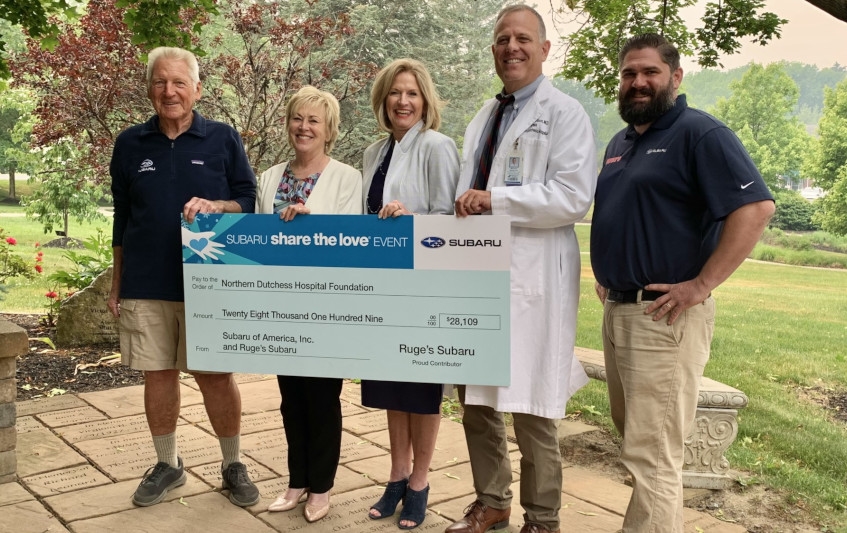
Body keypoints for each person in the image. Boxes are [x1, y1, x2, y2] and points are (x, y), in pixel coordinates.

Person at [591, 33, 775, 532]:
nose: (638, 82)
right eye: (629, 73)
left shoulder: (701, 133)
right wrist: (607, 272)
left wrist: (701, 285)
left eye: (649, 72)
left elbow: (755, 209)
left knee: (654, 457)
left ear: (675, 77)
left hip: (665, 318)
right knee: (638, 443)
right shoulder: (621, 141)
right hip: (621, 312)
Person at [449, 6, 597, 533]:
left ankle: (543, 516)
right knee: (475, 400)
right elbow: (462, 196)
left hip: (533, 277)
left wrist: (496, 201)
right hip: (479, 273)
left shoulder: (565, 114)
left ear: (543, 49)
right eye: (502, 39)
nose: (511, 47)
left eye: (522, 39)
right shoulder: (483, 118)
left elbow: (572, 197)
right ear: (493, 49)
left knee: (532, 404)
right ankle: (492, 501)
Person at [108, 47, 258, 508]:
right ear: (150, 88)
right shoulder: (130, 144)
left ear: (197, 88)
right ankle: (168, 465)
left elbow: (247, 199)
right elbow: (121, 217)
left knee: (215, 376)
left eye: (178, 83)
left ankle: (233, 463)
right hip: (146, 283)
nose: (169, 91)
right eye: (160, 82)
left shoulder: (222, 139)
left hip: (207, 282)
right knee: (158, 375)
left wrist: (218, 206)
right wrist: (117, 285)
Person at [360, 58, 461, 530]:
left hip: (424, 289)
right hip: (383, 288)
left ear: (426, 101)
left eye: (412, 94)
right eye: (395, 93)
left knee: (421, 391)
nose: (403, 101)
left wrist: (412, 219)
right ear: (383, 100)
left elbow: (452, 219)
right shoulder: (373, 153)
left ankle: (420, 482)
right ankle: (396, 476)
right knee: (392, 391)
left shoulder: (438, 147)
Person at [257, 86, 362, 523]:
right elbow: (255, 241)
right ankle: (296, 480)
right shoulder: (267, 177)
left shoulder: (346, 178)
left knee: (322, 399)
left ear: (329, 129)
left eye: (314, 120)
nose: (304, 127)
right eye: (298, 118)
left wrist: (309, 224)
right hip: (280, 307)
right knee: (290, 398)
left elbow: (351, 242)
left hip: (326, 307)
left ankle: (321, 487)